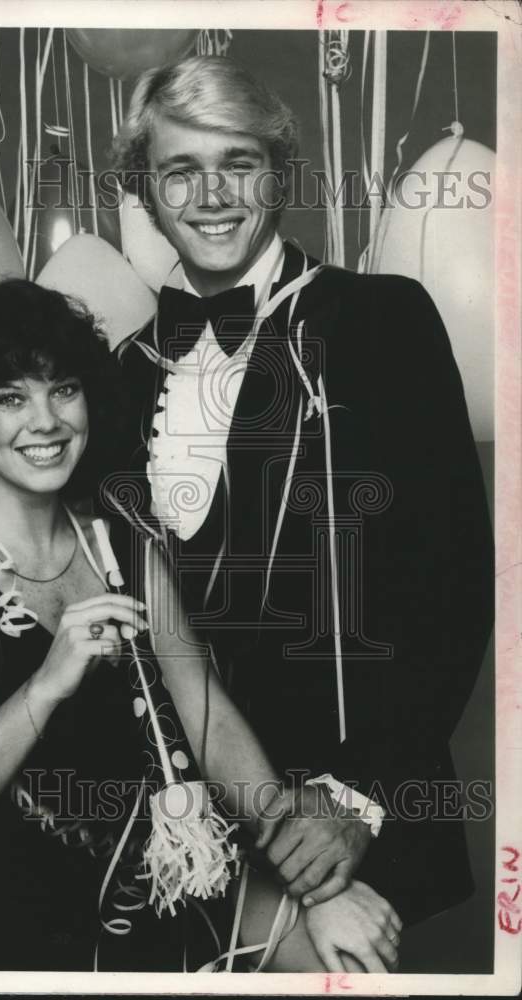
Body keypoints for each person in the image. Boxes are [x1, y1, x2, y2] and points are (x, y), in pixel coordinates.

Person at [0, 279, 399, 973]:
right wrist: (44, 688)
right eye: (9, 398)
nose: (46, 421)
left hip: (141, 889)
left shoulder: (122, 546)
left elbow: (205, 717)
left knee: (354, 958)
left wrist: (310, 878)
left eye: (62, 389)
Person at [109, 54, 494, 960]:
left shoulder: (380, 321)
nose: (210, 196)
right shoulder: (122, 370)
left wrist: (359, 799)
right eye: (179, 171)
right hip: (187, 845)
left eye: (237, 163)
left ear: (278, 172)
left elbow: (453, 583)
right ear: (144, 189)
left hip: (358, 835)